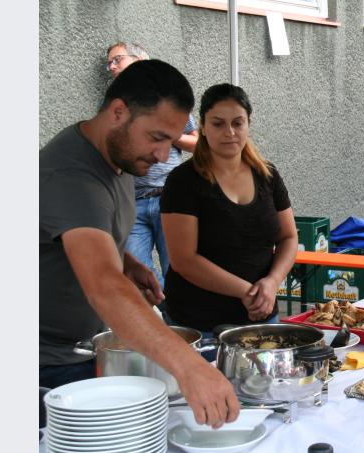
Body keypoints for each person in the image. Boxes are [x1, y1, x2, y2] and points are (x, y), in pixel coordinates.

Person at [40, 59, 240, 428]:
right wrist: (189, 366)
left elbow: (76, 235)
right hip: (46, 368)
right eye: (157, 137)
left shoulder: (114, 156)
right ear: (119, 111)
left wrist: (127, 262)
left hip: (81, 351)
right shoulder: (72, 175)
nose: (164, 155)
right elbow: (103, 284)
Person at [160, 83, 298, 335]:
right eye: (218, 124)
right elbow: (183, 260)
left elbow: (289, 237)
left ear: (248, 124)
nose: (229, 132)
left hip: (263, 318)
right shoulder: (182, 181)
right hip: (198, 325)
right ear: (202, 126)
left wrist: (272, 282)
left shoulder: (268, 175)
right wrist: (246, 292)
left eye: (237, 123)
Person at [107, 42, 199, 289]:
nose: (112, 67)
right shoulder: (115, 105)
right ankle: (167, 311)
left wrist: (166, 133)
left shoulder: (167, 98)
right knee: (137, 275)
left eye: (117, 59)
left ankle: (178, 322)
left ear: (139, 60)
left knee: (177, 268)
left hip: (167, 197)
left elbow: (198, 144)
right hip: (132, 202)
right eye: (110, 63)